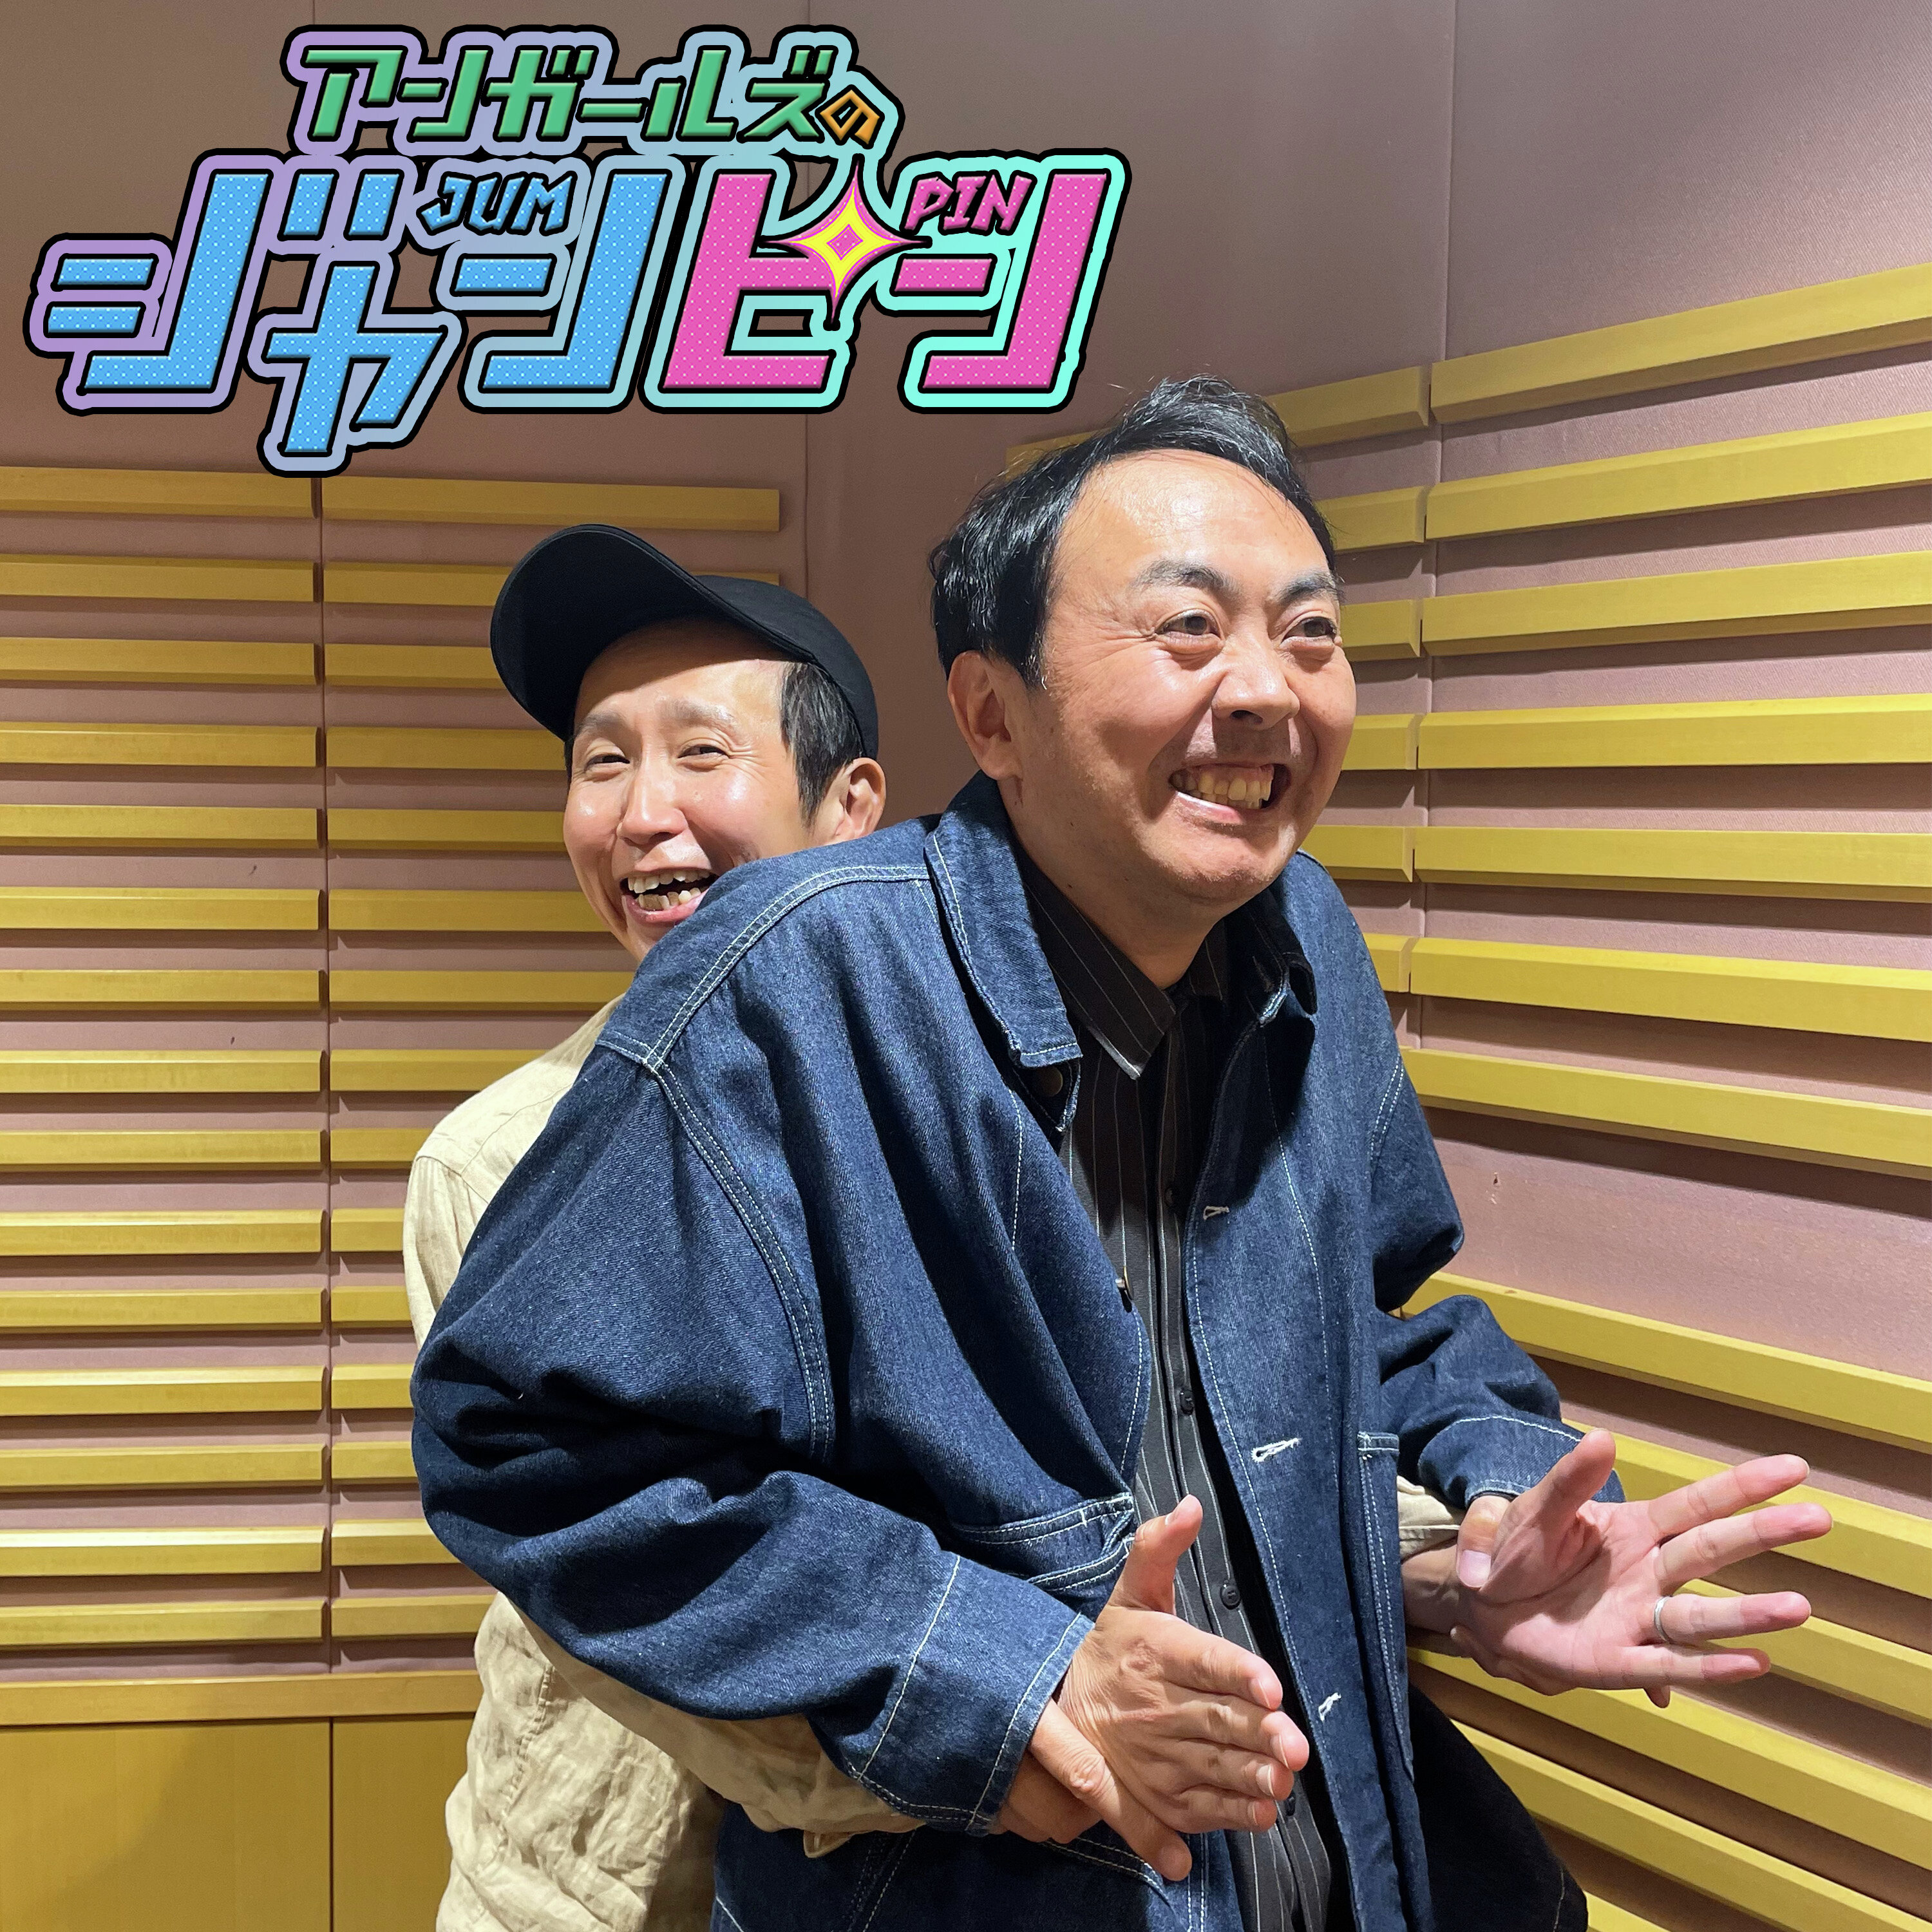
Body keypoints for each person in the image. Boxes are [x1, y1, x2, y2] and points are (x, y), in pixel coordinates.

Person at [415, 384, 1828, 1931]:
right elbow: (524, 1441)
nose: (1267, 688)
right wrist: (1004, 1674)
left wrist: (1492, 1512)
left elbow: (1361, 1328)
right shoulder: (786, 986)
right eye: (1186, 628)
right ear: (990, 715)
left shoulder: (1307, 939)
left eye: (1310, 634)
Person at [404, 529, 907, 1930]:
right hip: (581, 1897)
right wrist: (971, 1759)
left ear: (850, 805)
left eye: (699, 752)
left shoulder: (960, 1123)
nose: (640, 813)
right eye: (602, 762)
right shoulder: (495, 1164)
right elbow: (612, 1588)